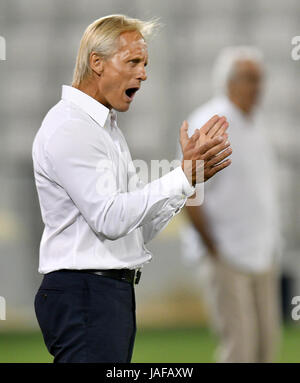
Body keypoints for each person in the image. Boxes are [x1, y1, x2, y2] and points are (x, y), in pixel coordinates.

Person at [32, 15, 232, 363]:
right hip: (84, 295)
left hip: (104, 294)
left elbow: (135, 231)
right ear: (97, 62)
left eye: (145, 63)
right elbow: (109, 219)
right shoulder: (71, 127)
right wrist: (181, 176)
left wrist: (187, 182)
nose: (144, 74)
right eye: (134, 61)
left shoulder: (105, 128)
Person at [180, 46, 281, 363]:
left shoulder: (256, 123)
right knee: (240, 348)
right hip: (226, 253)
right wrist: (212, 247)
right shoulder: (210, 121)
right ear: (229, 82)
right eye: (250, 79)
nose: (258, 87)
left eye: (260, 79)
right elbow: (188, 189)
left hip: (262, 252)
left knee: (267, 347)